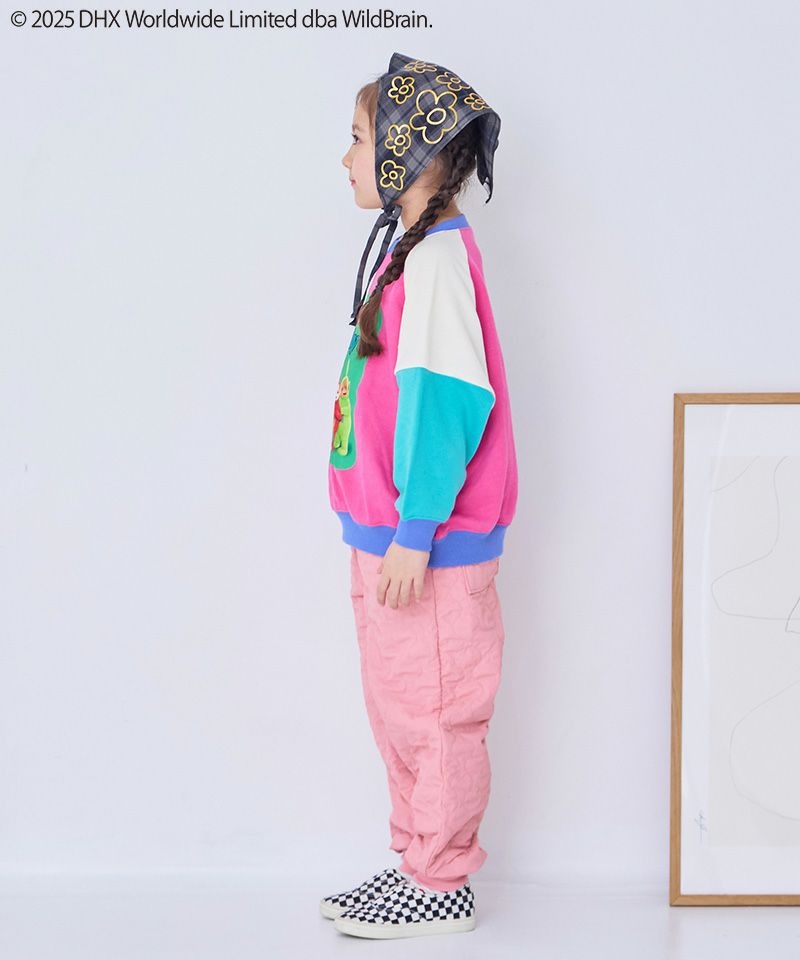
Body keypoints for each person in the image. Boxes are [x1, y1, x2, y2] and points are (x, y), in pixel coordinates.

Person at [320, 51, 519, 940]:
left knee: (437, 713)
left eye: (361, 139)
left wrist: (416, 527)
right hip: (388, 535)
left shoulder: (436, 261)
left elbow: (444, 404)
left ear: (412, 150)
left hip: (424, 545)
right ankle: (415, 861)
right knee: (400, 709)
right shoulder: (411, 252)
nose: (348, 158)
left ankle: (440, 882)